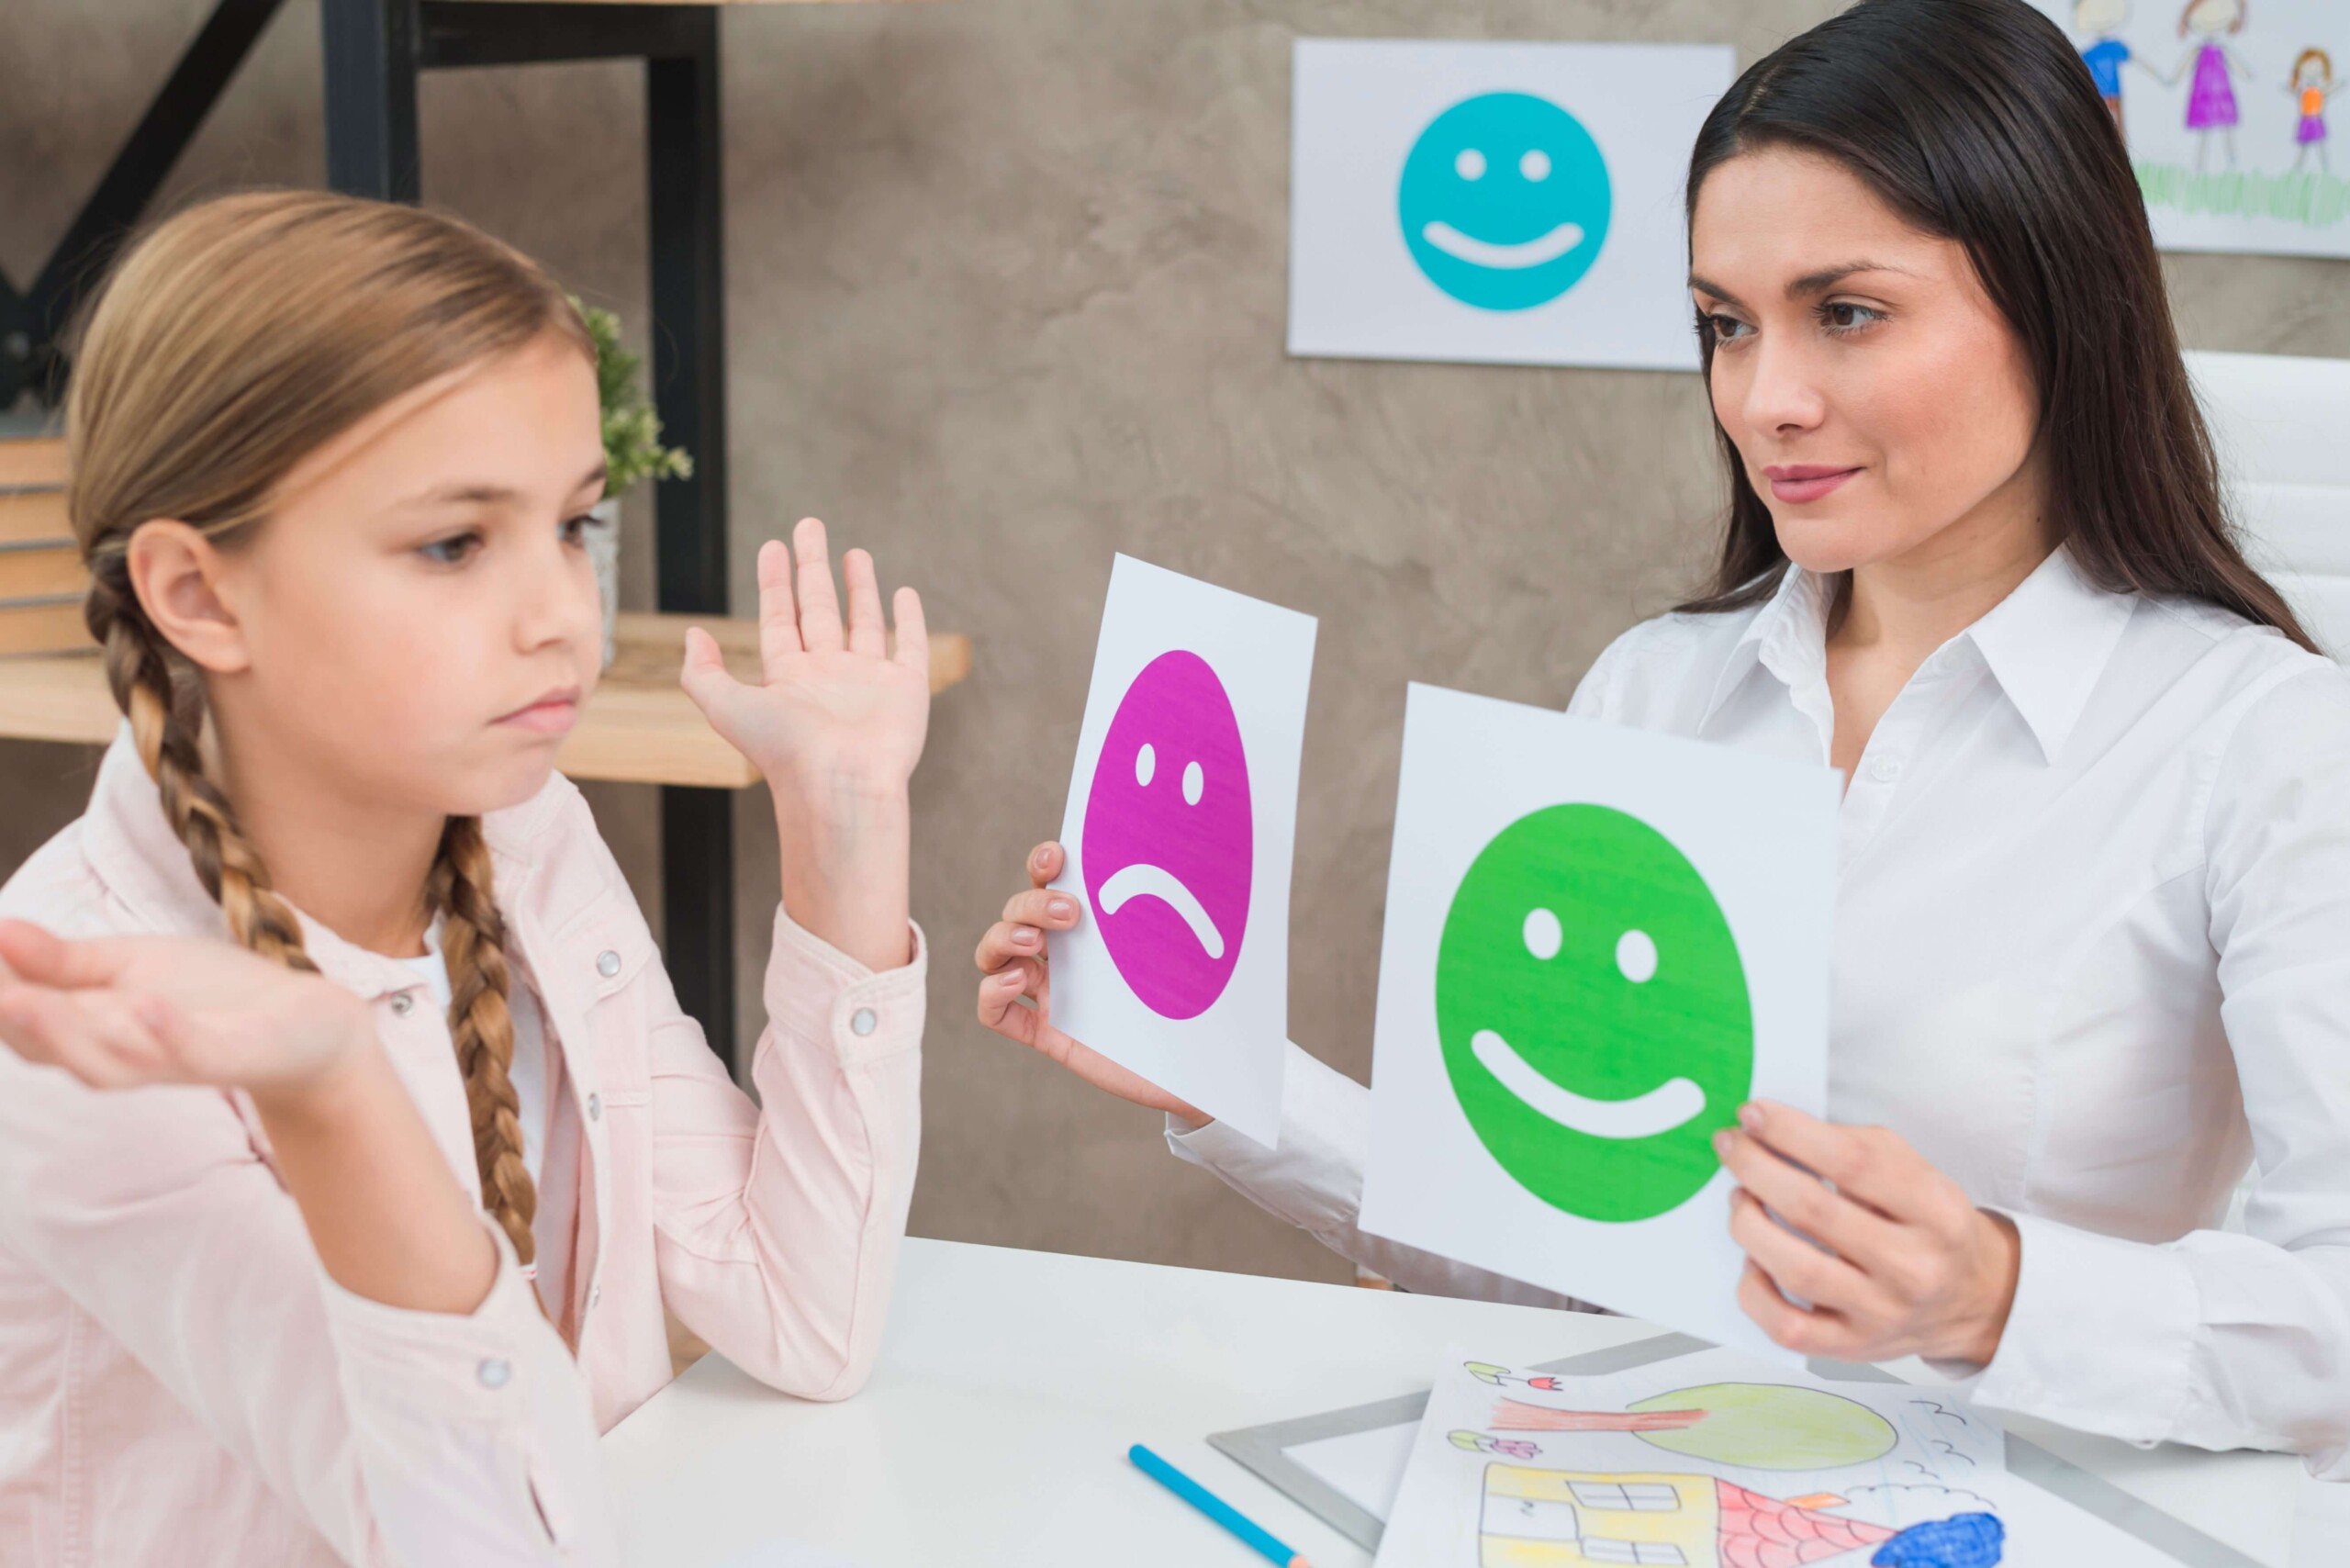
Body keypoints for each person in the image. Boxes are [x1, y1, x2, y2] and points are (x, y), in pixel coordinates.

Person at [976, 0, 2350, 1477]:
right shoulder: (1657, 694)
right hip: (1648, 1497)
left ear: (2053, 300)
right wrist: (1221, 1082)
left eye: (1848, 312)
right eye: (1725, 326)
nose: (1769, 400)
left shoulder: (2261, 744)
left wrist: (1996, 1291)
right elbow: (1560, 1257)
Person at [0, 190, 934, 1565]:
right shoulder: (73, 1024)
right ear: (198, 596)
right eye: (454, 543)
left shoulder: (523, 831)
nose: (564, 611)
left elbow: (805, 1316)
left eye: (571, 524)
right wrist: (336, 1093)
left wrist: (845, 820)